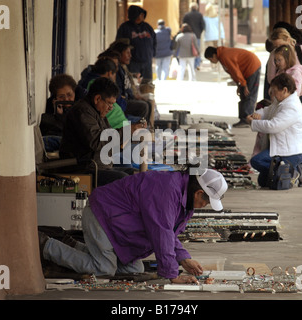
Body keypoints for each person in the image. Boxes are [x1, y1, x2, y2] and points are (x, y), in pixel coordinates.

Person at [39, 167, 228, 283]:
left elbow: (167, 232)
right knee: (104, 269)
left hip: (117, 225)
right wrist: (172, 275)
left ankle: (73, 246)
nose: (205, 206)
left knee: (134, 270)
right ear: (198, 193)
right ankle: (46, 246)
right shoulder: (168, 191)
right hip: (103, 215)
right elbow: (161, 232)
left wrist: (183, 258)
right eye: (207, 201)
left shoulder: (183, 197)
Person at [58, 77, 144, 186]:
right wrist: (127, 131)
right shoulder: (82, 112)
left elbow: (109, 138)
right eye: (109, 103)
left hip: (97, 165)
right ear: (97, 98)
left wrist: (132, 134)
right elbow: (96, 141)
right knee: (124, 179)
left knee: (134, 174)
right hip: (83, 168)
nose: (111, 108)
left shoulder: (97, 112)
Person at [268, 28, 302, 182]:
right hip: (283, 99)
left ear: (288, 40)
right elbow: (271, 78)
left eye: (281, 44)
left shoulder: (301, 51)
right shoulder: (275, 56)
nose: (278, 49)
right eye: (275, 46)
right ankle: (291, 165)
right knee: (285, 131)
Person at [247, 73, 302, 188]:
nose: (273, 94)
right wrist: (255, 115)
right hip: (280, 147)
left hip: (292, 151)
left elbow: (274, 126)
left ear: (285, 90)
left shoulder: (292, 106)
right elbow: (267, 111)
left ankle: (292, 171)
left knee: (256, 161)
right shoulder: (281, 100)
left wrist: (253, 123)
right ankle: (288, 171)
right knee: (263, 181)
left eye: (275, 91)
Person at [205, 46, 261, 127]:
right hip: (244, 70)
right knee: (243, 94)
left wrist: (244, 85)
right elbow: (232, 73)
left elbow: (235, 71)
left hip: (252, 66)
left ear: (214, 55)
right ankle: (243, 118)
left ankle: (246, 120)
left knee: (249, 94)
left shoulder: (224, 56)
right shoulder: (222, 56)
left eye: (211, 60)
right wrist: (239, 85)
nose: (212, 62)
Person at [40, 74, 87, 152]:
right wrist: (59, 114)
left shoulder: (84, 102)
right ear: (55, 97)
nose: (66, 99)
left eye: (69, 95)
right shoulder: (52, 105)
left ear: (74, 91)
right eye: (61, 97)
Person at [109, 40, 151, 124]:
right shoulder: (116, 70)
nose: (130, 56)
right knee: (143, 106)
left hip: (127, 98)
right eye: (127, 53)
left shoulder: (123, 68)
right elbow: (120, 93)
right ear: (119, 54)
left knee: (148, 103)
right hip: (122, 101)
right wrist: (133, 97)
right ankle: (137, 129)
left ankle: (145, 129)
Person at [116, 5, 156, 82]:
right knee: (133, 84)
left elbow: (154, 41)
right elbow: (119, 44)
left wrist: (152, 54)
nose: (142, 16)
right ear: (134, 15)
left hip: (147, 62)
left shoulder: (147, 27)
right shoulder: (125, 27)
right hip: (132, 62)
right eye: (140, 14)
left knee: (147, 85)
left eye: (143, 14)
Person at [183, 2, 206, 70]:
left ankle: (190, 64)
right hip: (197, 35)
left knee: (189, 49)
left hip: (188, 34)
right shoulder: (199, 15)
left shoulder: (187, 15)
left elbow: (183, 25)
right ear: (197, 7)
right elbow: (203, 26)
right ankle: (197, 64)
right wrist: (199, 32)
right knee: (197, 49)